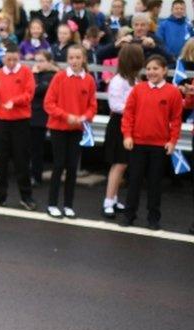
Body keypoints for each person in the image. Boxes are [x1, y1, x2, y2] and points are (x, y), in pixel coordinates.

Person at [120, 54, 183, 230]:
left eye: (155, 68)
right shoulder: (138, 90)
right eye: (148, 69)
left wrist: (172, 141)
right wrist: (127, 135)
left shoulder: (173, 92)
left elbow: (176, 120)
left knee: (155, 184)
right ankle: (129, 214)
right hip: (138, 143)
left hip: (159, 146)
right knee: (134, 181)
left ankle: (153, 218)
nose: (151, 72)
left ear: (165, 70)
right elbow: (128, 114)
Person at [43, 44, 97, 218]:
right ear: (67, 59)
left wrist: (84, 117)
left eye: (78, 57)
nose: (74, 61)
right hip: (59, 128)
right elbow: (49, 104)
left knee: (72, 167)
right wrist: (66, 116)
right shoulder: (59, 77)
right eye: (71, 58)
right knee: (58, 165)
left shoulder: (88, 80)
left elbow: (92, 106)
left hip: (77, 129)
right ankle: (52, 204)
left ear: (84, 59)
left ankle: (68, 204)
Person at [0, 41, 37, 210]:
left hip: (20, 122)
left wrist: (13, 102)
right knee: (0, 161)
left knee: (21, 161)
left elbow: (29, 94)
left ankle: (26, 196)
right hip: (2, 122)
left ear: (19, 58)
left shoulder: (26, 72)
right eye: (8, 59)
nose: (11, 63)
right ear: (3, 59)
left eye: (14, 59)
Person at [102, 44, 145, 218]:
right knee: (119, 163)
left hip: (131, 123)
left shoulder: (136, 80)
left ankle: (113, 198)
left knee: (124, 163)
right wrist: (135, 108)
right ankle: (108, 200)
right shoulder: (118, 80)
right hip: (119, 123)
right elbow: (115, 105)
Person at [29, 50, 58, 187]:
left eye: (41, 61)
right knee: (29, 147)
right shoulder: (36, 75)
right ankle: (29, 173)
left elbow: (36, 90)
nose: (38, 64)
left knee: (37, 148)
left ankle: (37, 176)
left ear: (49, 62)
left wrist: (34, 74)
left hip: (40, 116)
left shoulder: (51, 76)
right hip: (30, 114)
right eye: (37, 61)